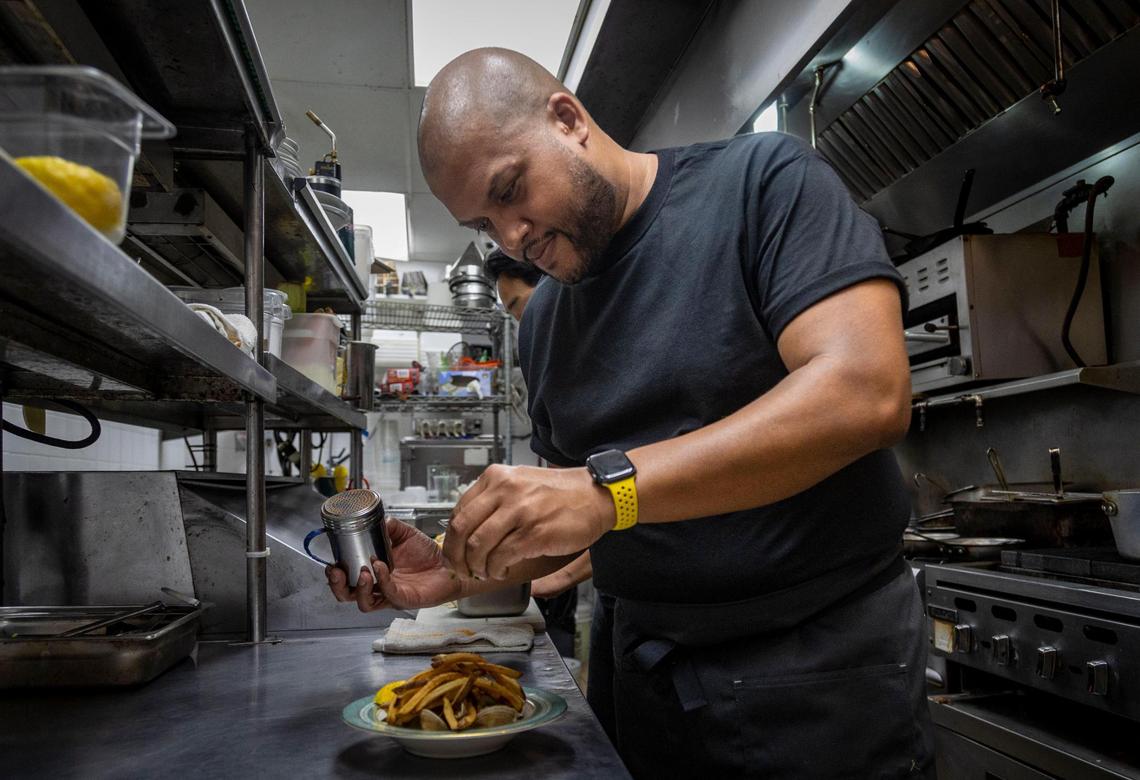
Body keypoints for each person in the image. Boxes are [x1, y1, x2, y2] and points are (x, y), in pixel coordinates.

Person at [329, 47, 934, 778]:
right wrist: (459, 572)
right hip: (642, 679)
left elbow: (864, 392)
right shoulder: (546, 320)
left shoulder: (763, 183)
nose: (511, 236)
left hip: (815, 672)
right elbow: (575, 523)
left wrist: (603, 488)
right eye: (485, 224)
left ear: (567, 119)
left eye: (511, 190)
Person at [482, 248, 579, 660]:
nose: (521, 323)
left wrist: (553, 579)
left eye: (517, 306)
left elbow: (608, 504)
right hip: (621, 598)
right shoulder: (554, 360)